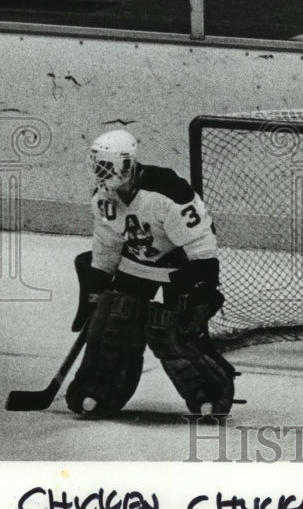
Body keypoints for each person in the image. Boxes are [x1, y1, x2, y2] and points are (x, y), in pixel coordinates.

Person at [66, 128, 236, 419]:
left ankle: (207, 393)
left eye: (106, 166)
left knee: (172, 332)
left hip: (180, 269)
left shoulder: (168, 191)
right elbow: (107, 244)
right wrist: (98, 285)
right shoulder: (103, 199)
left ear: (127, 164)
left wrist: (203, 285)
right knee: (114, 325)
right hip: (136, 264)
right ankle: (100, 389)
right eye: (97, 166)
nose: (100, 173)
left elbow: (200, 241)